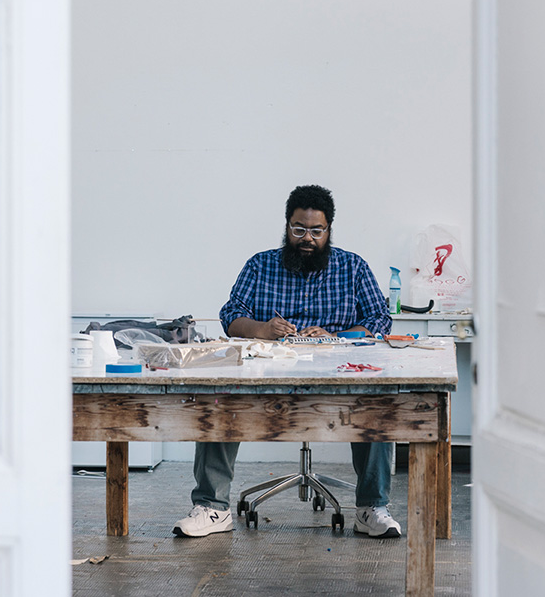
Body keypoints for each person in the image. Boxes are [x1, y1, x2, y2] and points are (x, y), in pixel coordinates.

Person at [172, 184, 402, 539]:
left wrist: (335, 337)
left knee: (377, 400)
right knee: (217, 397)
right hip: (266, 379)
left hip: (337, 380)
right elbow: (231, 314)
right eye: (298, 229)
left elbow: (379, 320)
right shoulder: (260, 265)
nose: (306, 238)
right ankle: (212, 508)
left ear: (329, 230)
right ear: (286, 226)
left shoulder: (353, 267)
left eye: (316, 231)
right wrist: (262, 329)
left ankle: (371, 508)